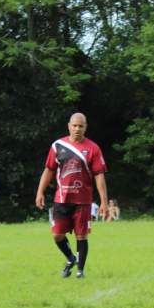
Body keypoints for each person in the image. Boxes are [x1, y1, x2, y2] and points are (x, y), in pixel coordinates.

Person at [35, 113, 108, 279]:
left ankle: (80, 271)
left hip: (83, 201)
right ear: (69, 126)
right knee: (57, 235)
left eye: (81, 126)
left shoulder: (93, 149)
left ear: (85, 127)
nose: (77, 129)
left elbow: (99, 176)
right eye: (74, 125)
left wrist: (104, 201)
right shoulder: (57, 146)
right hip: (61, 199)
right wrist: (40, 192)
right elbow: (49, 170)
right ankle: (70, 258)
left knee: (81, 235)